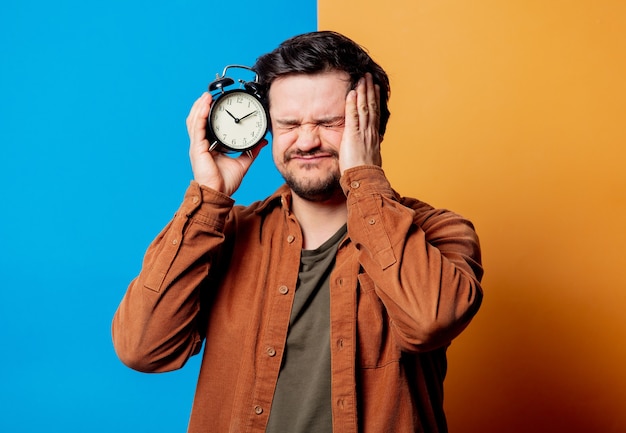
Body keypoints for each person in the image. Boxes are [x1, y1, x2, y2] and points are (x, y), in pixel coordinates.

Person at [112, 30, 483, 433]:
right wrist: (208, 198)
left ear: (372, 125)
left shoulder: (441, 233)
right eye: (288, 124)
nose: (306, 141)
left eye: (329, 122)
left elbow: (429, 321)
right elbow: (142, 348)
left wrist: (364, 178)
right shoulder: (222, 234)